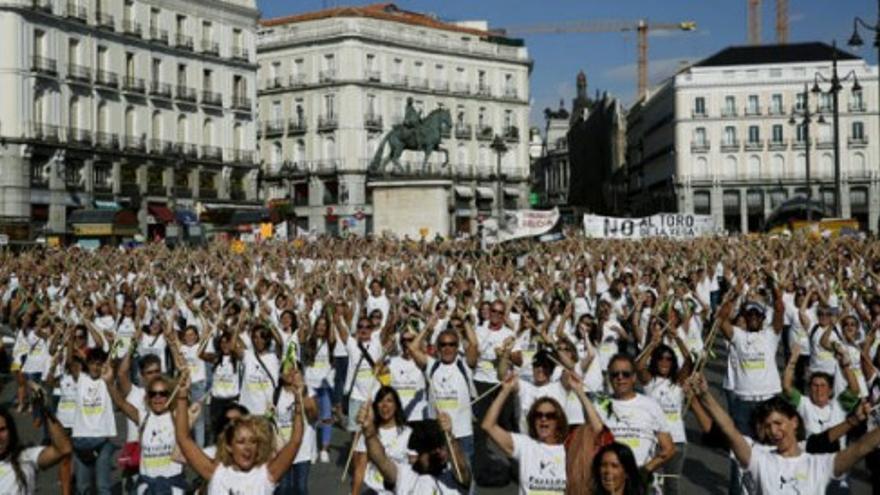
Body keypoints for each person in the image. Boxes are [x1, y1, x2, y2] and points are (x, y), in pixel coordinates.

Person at [691, 372, 880, 494]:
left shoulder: (818, 465)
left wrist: (854, 421)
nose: (773, 431)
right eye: (766, 426)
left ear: (794, 422)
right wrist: (704, 396)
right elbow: (728, 429)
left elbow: (861, 447)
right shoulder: (758, 457)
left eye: (778, 423)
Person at [174, 367, 305, 494]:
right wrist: (182, 394)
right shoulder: (217, 473)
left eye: (253, 441)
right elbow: (183, 438)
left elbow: (295, 442)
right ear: (229, 446)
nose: (247, 448)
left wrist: (298, 398)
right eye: (241, 442)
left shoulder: (265, 476)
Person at [481, 373, 569, 494]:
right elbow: (488, 425)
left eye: (550, 416)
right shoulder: (524, 445)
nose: (544, 419)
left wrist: (580, 392)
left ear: (558, 421)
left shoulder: (568, 449)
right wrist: (505, 391)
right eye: (539, 415)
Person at [596, 354, 676, 474]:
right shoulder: (599, 406)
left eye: (625, 374)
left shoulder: (651, 405)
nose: (620, 378)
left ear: (634, 377)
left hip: (640, 482)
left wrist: (645, 471)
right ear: (609, 378)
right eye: (615, 374)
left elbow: (669, 449)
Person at [358, 409, 470, 494]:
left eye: (442, 447)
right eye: (432, 449)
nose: (439, 452)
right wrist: (370, 434)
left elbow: (461, 467)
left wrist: (450, 437)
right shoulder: (404, 474)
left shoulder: (453, 476)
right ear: (417, 453)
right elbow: (381, 460)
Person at [352, 387, 413, 495]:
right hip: (372, 490)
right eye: (381, 401)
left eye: (389, 401)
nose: (384, 405)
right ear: (376, 405)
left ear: (396, 405)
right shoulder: (368, 432)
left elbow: (414, 470)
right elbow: (360, 469)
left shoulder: (408, 433)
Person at [0, 406, 72, 495]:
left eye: (2, 430)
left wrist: (46, 411)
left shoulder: (26, 456)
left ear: (10, 431)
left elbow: (64, 449)